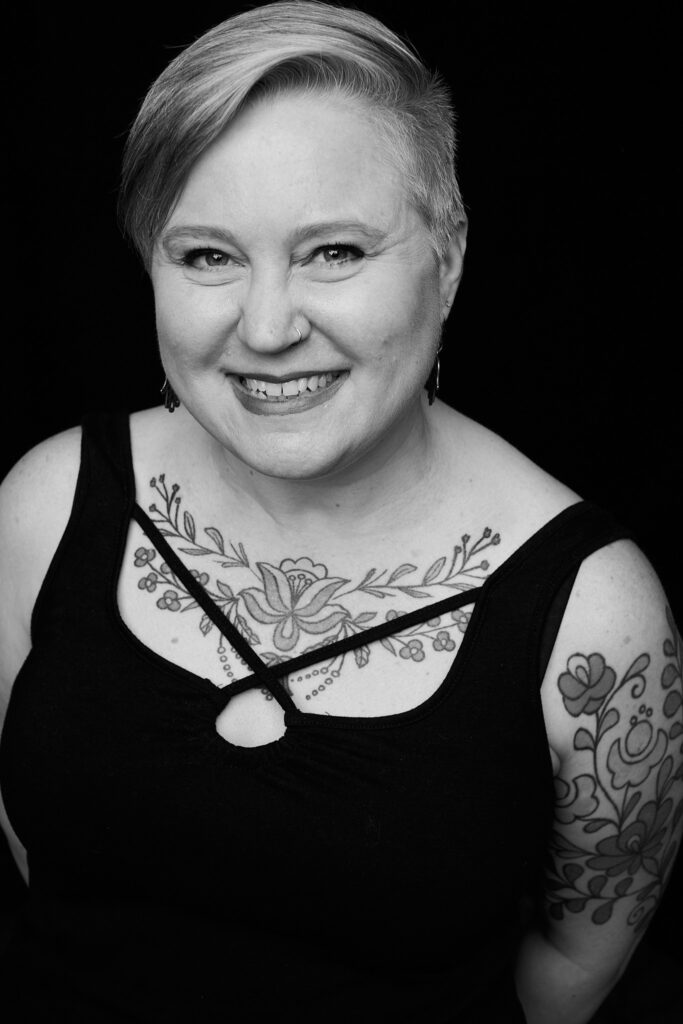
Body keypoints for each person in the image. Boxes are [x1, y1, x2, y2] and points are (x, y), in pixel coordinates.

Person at [0, 2, 680, 1021]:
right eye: (206, 256)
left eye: (333, 253)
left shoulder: (595, 613)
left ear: (446, 258)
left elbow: (572, 963)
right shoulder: (47, 499)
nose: (266, 327)